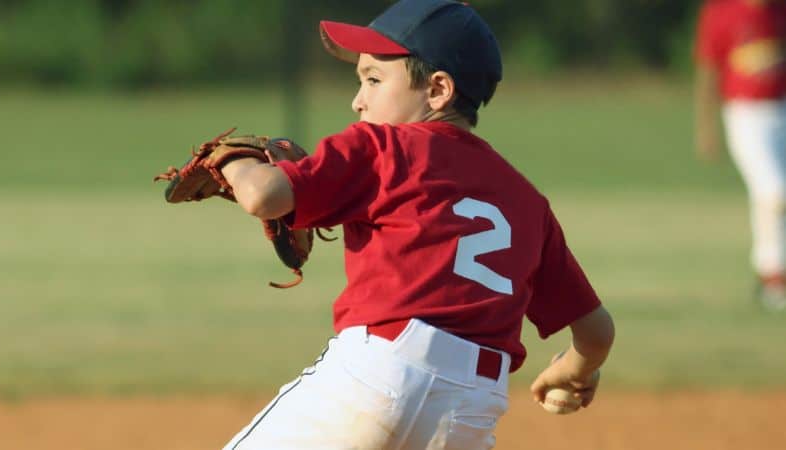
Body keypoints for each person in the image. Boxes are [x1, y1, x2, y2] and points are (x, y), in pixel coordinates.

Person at [220, 1, 615, 448]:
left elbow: (262, 196)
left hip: (379, 377)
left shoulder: (385, 146)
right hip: (471, 409)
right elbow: (596, 332)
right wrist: (573, 370)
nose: (358, 100)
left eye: (373, 79)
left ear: (438, 89)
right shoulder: (527, 199)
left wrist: (235, 161)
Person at [695, 0, 786, 311]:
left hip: (782, 110)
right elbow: (708, 69)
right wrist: (706, 126)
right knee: (775, 192)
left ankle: (772, 275)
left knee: (769, 196)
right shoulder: (722, 12)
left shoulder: (779, 10)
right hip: (745, 114)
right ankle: (772, 274)